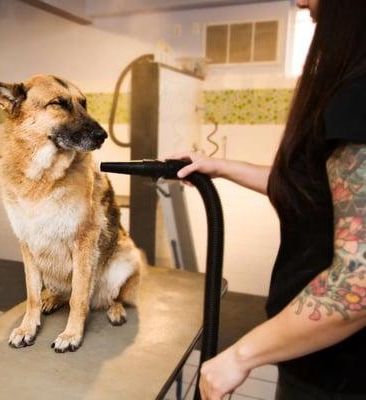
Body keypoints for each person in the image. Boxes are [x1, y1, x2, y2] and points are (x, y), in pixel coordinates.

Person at [169, 0, 366, 398]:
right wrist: (219, 166)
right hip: (315, 358)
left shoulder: (359, 93)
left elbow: (359, 282)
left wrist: (241, 355)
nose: (300, 1)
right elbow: (316, 195)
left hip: (341, 375)